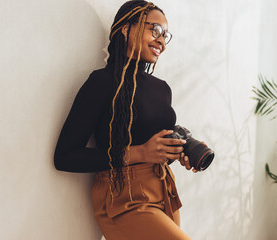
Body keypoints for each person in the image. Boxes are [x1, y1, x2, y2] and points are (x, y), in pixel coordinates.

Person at [54, 1, 197, 239]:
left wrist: (174, 154)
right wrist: (141, 153)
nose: (161, 40)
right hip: (123, 198)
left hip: (164, 191)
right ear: (125, 29)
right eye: (155, 30)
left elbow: (153, 149)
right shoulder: (102, 83)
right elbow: (65, 156)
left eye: (166, 35)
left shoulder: (162, 89)